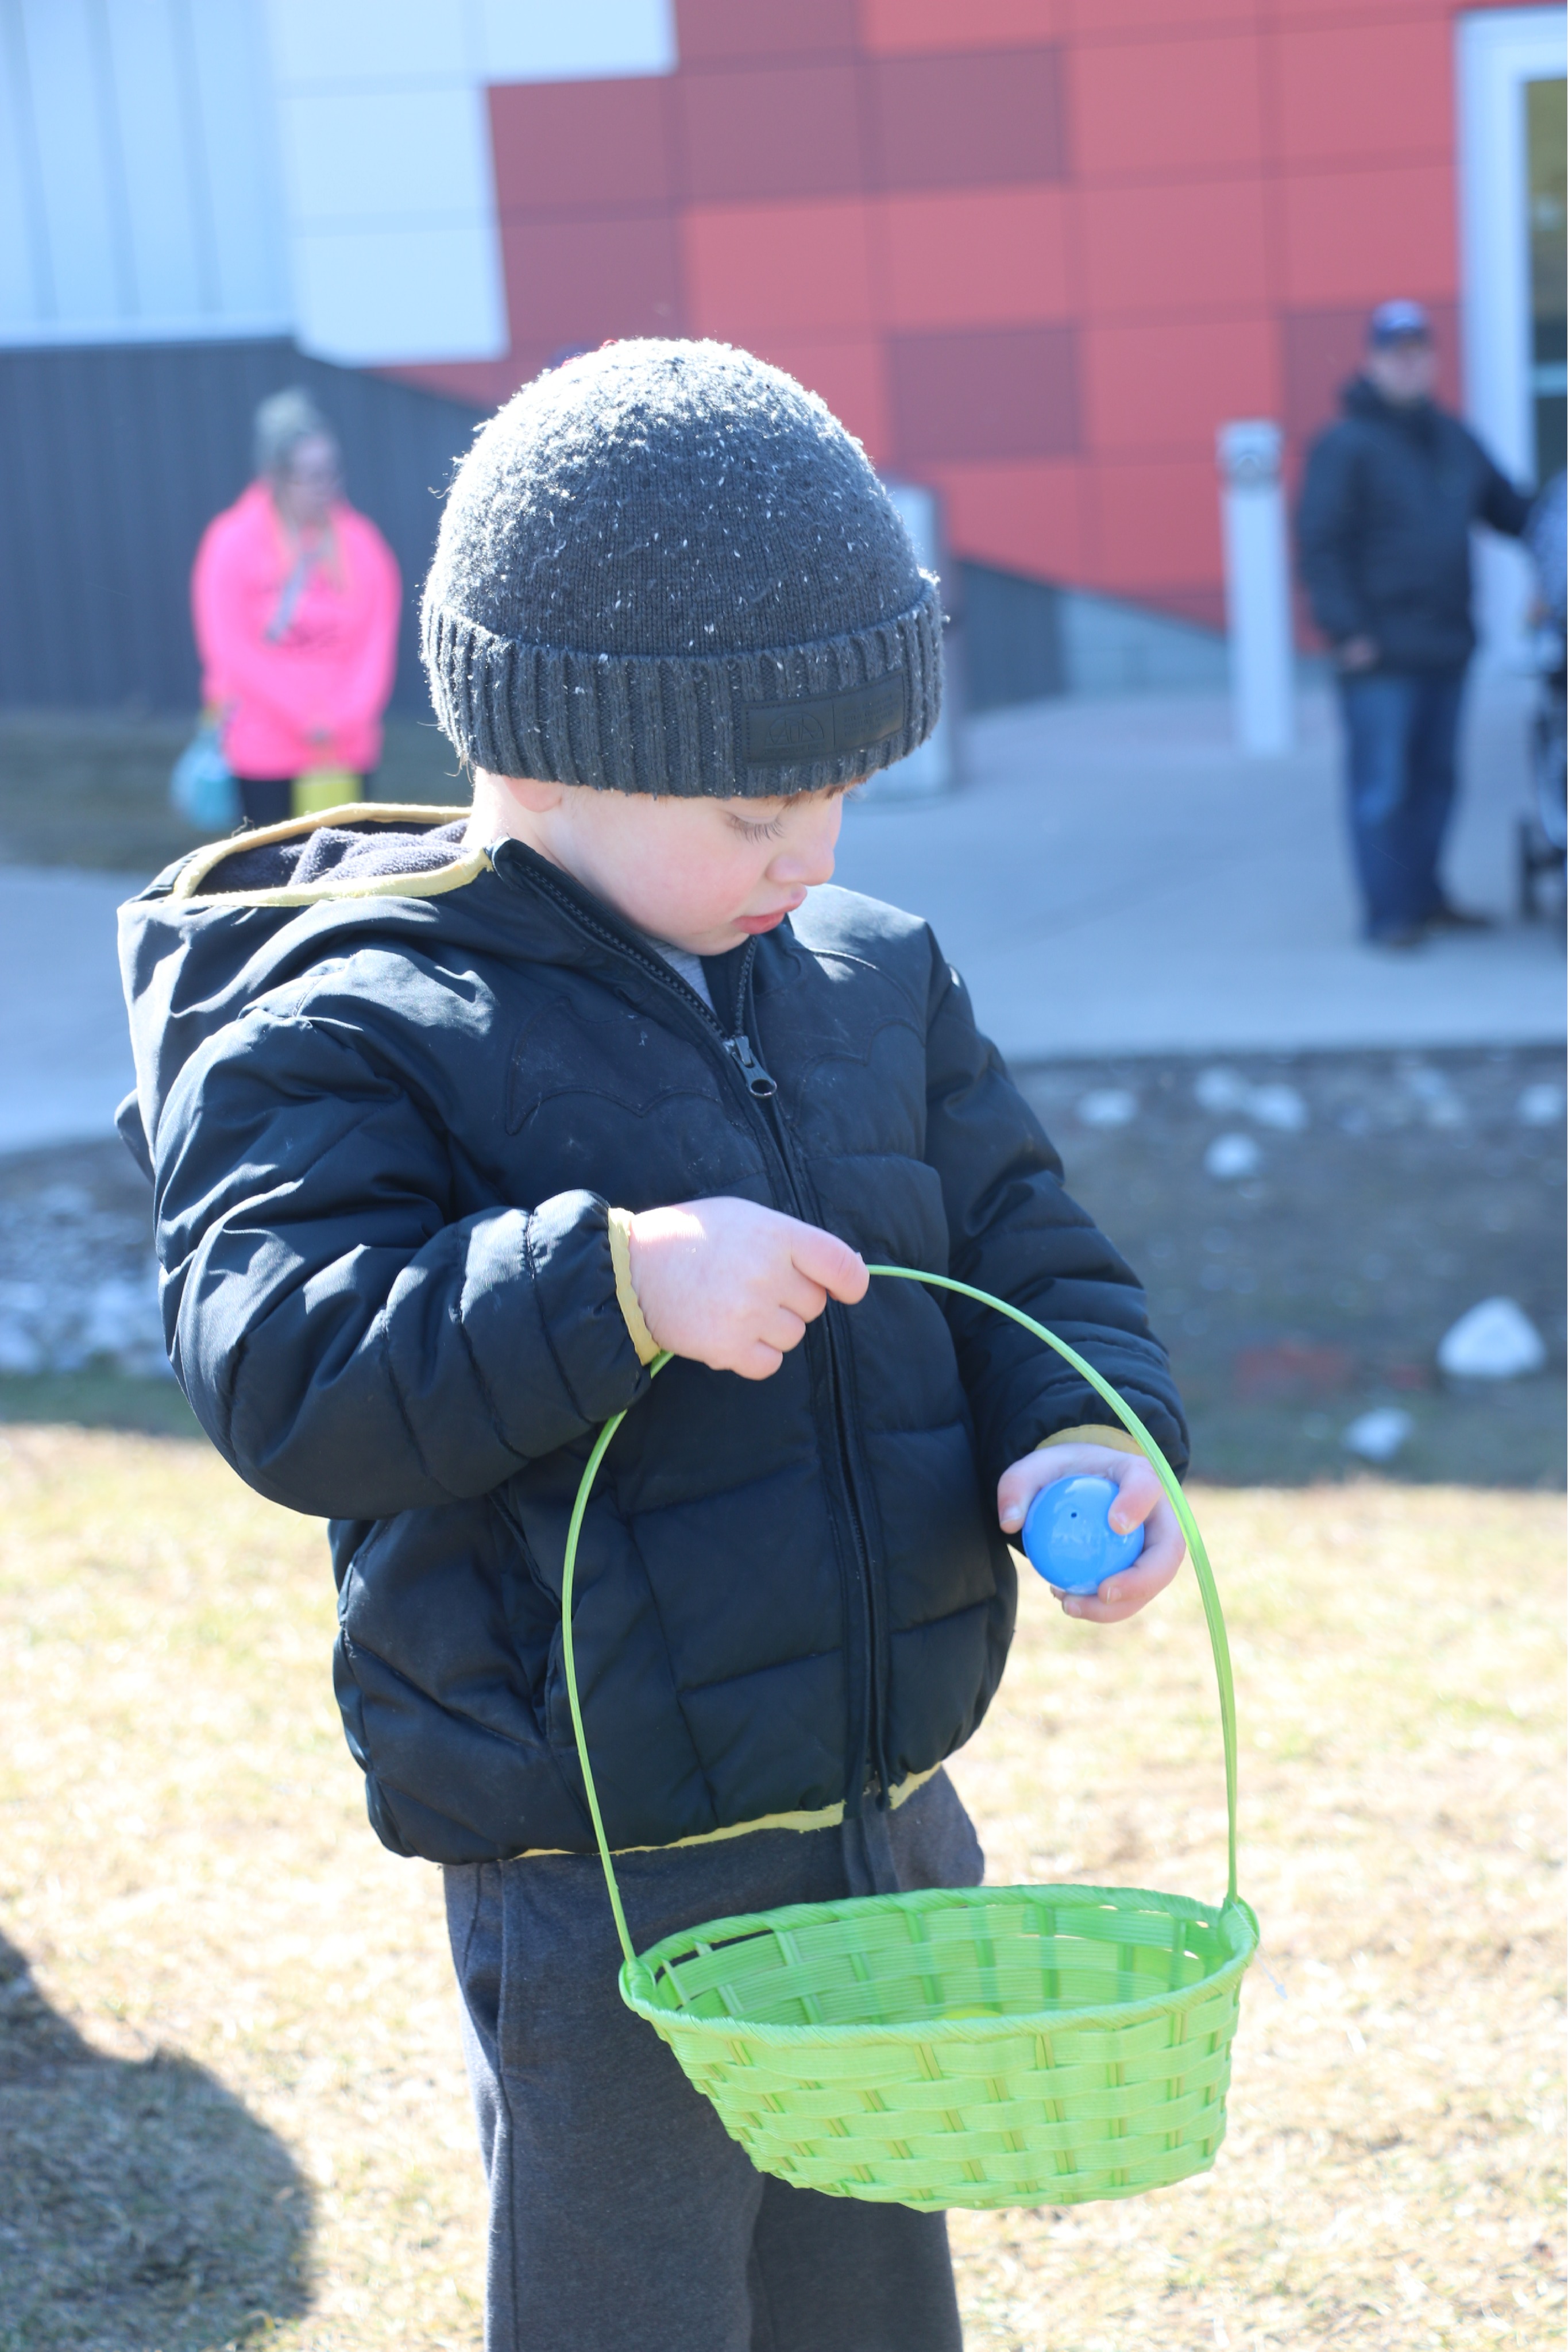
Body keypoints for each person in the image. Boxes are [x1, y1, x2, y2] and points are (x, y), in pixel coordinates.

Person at [120, 343, 1188, 2352]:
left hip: (874, 1822)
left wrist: (1078, 1439)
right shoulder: (356, 1019)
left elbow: (1034, 1255)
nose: (815, 852)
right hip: (599, 1874)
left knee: (872, 2284)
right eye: (764, 804)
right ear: (547, 751)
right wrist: (608, 1282)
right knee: (635, 2304)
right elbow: (288, 1370)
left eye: (849, 795)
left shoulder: (869, 975)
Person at [1296, 299, 1534, 947]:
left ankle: (1426, 898)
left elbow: (1515, 513)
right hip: (1378, 656)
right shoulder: (1345, 445)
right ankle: (1388, 916)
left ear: (1432, 359)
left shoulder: (1453, 439)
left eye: (1419, 352)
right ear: (1374, 361)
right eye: (1395, 354)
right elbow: (1320, 545)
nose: (1409, 364)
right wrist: (1348, 633)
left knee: (1436, 784)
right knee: (1384, 790)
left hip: (1445, 647)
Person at [190, 387, 401, 829]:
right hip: (264, 747)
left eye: (331, 472)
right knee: (272, 878)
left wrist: (345, 714)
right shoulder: (233, 542)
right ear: (276, 477)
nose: (327, 488)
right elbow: (230, 648)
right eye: (312, 476)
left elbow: (376, 643)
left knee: (342, 878)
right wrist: (304, 716)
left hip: (345, 748)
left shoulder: (361, 544)